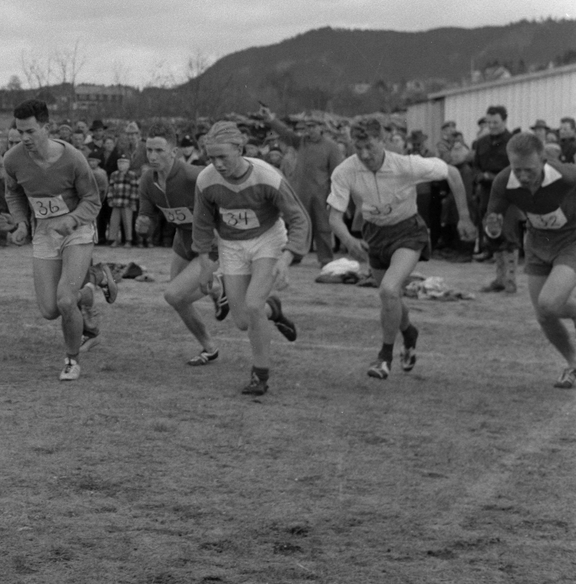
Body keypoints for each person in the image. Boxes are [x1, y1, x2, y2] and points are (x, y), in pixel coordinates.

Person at [327, 117, 477, 380]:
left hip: (408, 232)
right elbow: (334, 217)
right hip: (373, 235)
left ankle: (384, 357)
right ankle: (409, 331)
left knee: (388, 289)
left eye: (370, 148)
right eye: (358, 148)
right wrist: (349, 241)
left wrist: (464, 216)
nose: (364, 155)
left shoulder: (405, 164)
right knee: (390, 297)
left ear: (383, 142)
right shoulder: (345, 171)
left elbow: (452, 173)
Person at [191, 121, 307, 396]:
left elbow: (298, 218)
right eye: (211, 157)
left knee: (254, 305)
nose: (217, 164)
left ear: (240, 149)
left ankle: (260, 374)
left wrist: (287, 257)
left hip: (267, 239)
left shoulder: (267, 177)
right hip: (231, 245)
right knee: (243, 320)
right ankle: (274, 311)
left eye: (223, 157)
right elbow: (202, 224)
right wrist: (206, 264)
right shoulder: (206, 180)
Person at [2, 99, 111, 382]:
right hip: (44, 233)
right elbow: (13, 193)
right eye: (19, 131)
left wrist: (72, 220)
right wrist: (22, 222)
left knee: (64, 301)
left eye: (30, 131)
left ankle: (71, 360)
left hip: (77, 230)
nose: (24, 138)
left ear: (46, 128)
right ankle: (90, 286)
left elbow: (92, 200)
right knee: (49, 310)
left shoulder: (72, 158)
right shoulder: (12, 160)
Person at [484, 132, 576, 388]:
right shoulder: (504, 181)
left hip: (571, 241)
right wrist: (492, 228)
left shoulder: (566, 175)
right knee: (544, 315)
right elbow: (493, 223)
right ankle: (573, 363)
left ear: (544, 159)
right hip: (537, 243)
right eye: (517, 169)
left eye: (529, 169)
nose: (523, 176)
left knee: (549, 303)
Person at [136, 124, 228, 366]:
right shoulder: (147, 180)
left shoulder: (194, 176)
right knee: (178, 299)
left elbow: (227, 192)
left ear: (173, 151)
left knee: (173, 294)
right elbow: (148, 215)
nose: (153, 156)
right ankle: (210, 347)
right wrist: (143, 222)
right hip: (182, 240)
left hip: (209, 242)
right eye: (149, 150)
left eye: (159, 150)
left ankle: (219, 286)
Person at [258, 108, 343, 266]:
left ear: (321, 128)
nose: (309, 131)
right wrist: (271, 119)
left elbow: (337, 175)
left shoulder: (331, 147)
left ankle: (325, 258)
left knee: (323, 227)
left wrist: (334, 196)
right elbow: (285, 133)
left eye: (313, 127)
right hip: (301, 193)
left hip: (321, 194)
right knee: (300, 224)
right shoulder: (302, 142)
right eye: (307, 127)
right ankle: (295, 255)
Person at [472, 105, 515, 286]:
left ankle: (511, 280)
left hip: (508, 193)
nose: (492, 126)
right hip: (487, 193)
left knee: (508, 234)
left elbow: (515, 168)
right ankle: (500, 278)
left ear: (504, 121)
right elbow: (475, 166)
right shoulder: (481, 143)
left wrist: (495, 176)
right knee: (491, 232)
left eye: (496, 122)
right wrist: (480, 176)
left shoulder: (513, 142)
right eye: (489, 122)